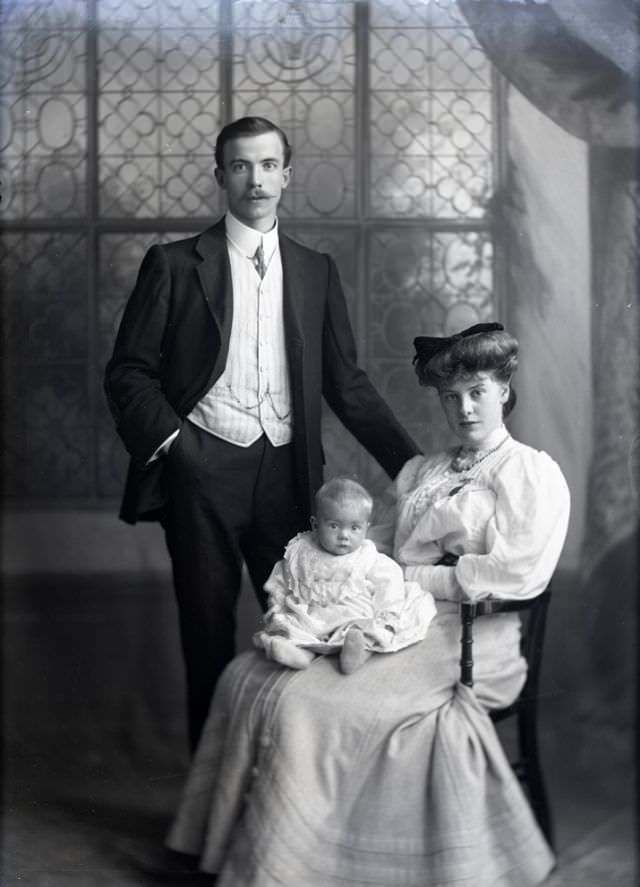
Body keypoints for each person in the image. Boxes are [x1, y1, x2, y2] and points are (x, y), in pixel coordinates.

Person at [166, 322, 570, 886]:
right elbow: (383, 537)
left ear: (503, 389)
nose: (465, 409)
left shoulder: (529, 473)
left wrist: (413, 578)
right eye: (450, 397)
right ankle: (242, 849)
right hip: (395, 620)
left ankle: (325, 866)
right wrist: (316, 553)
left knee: (314, 705)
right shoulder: (425, 470)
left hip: (473, 638)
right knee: (247, 675)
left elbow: (516, 574)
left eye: (477, 392)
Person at [104, 116, 420, 750]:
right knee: (208, 636)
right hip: (202, 472)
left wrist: (414, 470)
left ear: (287, 175)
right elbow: (129, 373)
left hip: (287, 475)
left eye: (269, 165)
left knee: (307, 627)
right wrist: (180, 448)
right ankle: (210, 811)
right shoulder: (173, 265)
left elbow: (346, 383)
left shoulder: (314, 270)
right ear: (221, 176)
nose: (256, 179)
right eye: (241, 166)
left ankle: (286, 788)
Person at [253, 476, 436, 674]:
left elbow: (390, 585)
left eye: (354, 528)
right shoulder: (301, 551)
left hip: (351, 614)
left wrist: (386, 615)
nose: (344, 535)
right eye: (334, 526)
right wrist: (277, 607)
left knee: (363, 630)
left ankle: (357, 652)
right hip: (309, 615)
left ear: (366, 528)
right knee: (292, 628)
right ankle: (299, 654)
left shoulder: (367, 557)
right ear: (315, 525)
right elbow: (282, 579)